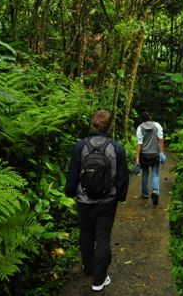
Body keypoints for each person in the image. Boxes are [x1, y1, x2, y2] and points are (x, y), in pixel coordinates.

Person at [65, 110, 129, 292]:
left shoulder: (80, 146)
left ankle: (89, 268)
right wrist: (121, 196)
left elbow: (73, 174)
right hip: (107, 202)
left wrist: (70, 191)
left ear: (93, 124)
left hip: (84, 200)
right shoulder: (117, 148)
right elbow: (122, 178)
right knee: (102, 238)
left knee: (86, 234)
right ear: (110, 126)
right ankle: (98, 280)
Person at [135, 112, 166, 206]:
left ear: (143, 119)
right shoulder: (157, 125)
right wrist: (161, 152)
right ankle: (155, 192)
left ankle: (145, 193)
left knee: (145, 173)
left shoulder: (140, 127)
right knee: (155, 174)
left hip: (144, 154)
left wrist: (137, 156)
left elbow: (139, 143)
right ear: (150, 118)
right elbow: (161, 139)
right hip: (155, 154)